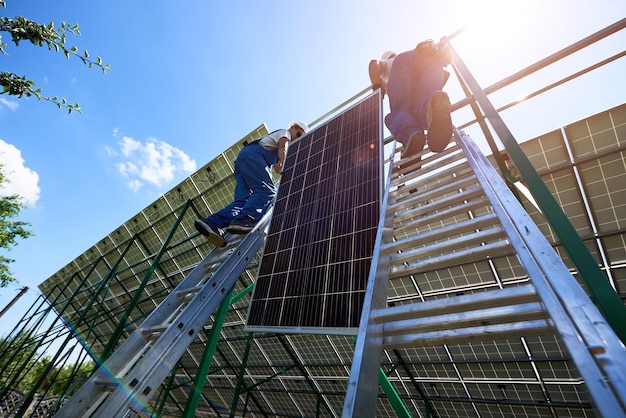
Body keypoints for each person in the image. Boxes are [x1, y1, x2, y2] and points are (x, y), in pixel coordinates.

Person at [194, 121, 309, 247]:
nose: (297, 138)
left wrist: (287, 172)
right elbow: (283, 148)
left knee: (243, 199)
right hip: (254, 156)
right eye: (298, 134)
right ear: (292, 127)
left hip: (243, 160)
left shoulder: (277, 148)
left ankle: (213, 223)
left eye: (300, 137)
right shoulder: (284, 134)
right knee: (268, 191)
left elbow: (277, 168)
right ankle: (244, 219)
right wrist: (291, 166)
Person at [383, 39, 453, 161]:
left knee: (395, 115)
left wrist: (377, 88)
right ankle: (430, 112)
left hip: (407, 66)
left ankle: (411, 133)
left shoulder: (391, 64)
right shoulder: (418, 54)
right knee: (426, 102)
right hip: (432, 61)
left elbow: (374, 64)